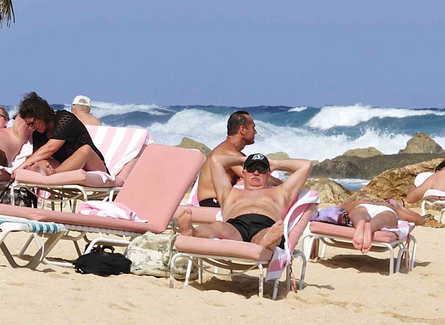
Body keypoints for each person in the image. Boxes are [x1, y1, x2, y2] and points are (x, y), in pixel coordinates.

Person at [177, 152, 313, 259]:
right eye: (251, 168)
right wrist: (243, 160)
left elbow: (306, 165)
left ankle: (263, 242)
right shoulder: (229, 193)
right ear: (244, 173)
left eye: (261, 169)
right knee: (218, 226)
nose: (256, 173)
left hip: (266, 225)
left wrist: (274, 164)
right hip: (235, 226)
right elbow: (215, 160)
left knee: (267, 234)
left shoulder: (280, 192)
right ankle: (192, 232)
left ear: (268, 173)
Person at [197, 110, 314, 207]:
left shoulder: (233, 153)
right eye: (253, 128)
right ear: (242, 130)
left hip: (217, 200)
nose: (256, 132)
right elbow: (254, 176)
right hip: (212, 202)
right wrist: (284, 187)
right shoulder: (227, 154)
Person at [13, 92, 111, 185]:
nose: (30, 127)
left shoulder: (65, 119)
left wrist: (20, 167)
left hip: (93, 166)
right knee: (39, 161)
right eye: (28, 125)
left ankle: (54, 175)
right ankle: (50, 175)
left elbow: (50, 148)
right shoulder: (37, 134)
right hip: (67, 170)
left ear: (40, 115)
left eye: (32, 123)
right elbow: (38, 157)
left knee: (86, 149)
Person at [320, 196, 426, 253]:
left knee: (359, 214)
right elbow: (420, 220)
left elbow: (339, 206)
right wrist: (400, 208)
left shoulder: (361, 201)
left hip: (363, 206)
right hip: (386, 210)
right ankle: (371, 226)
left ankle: (360, 222)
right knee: (382, 219)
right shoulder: (390, 205)